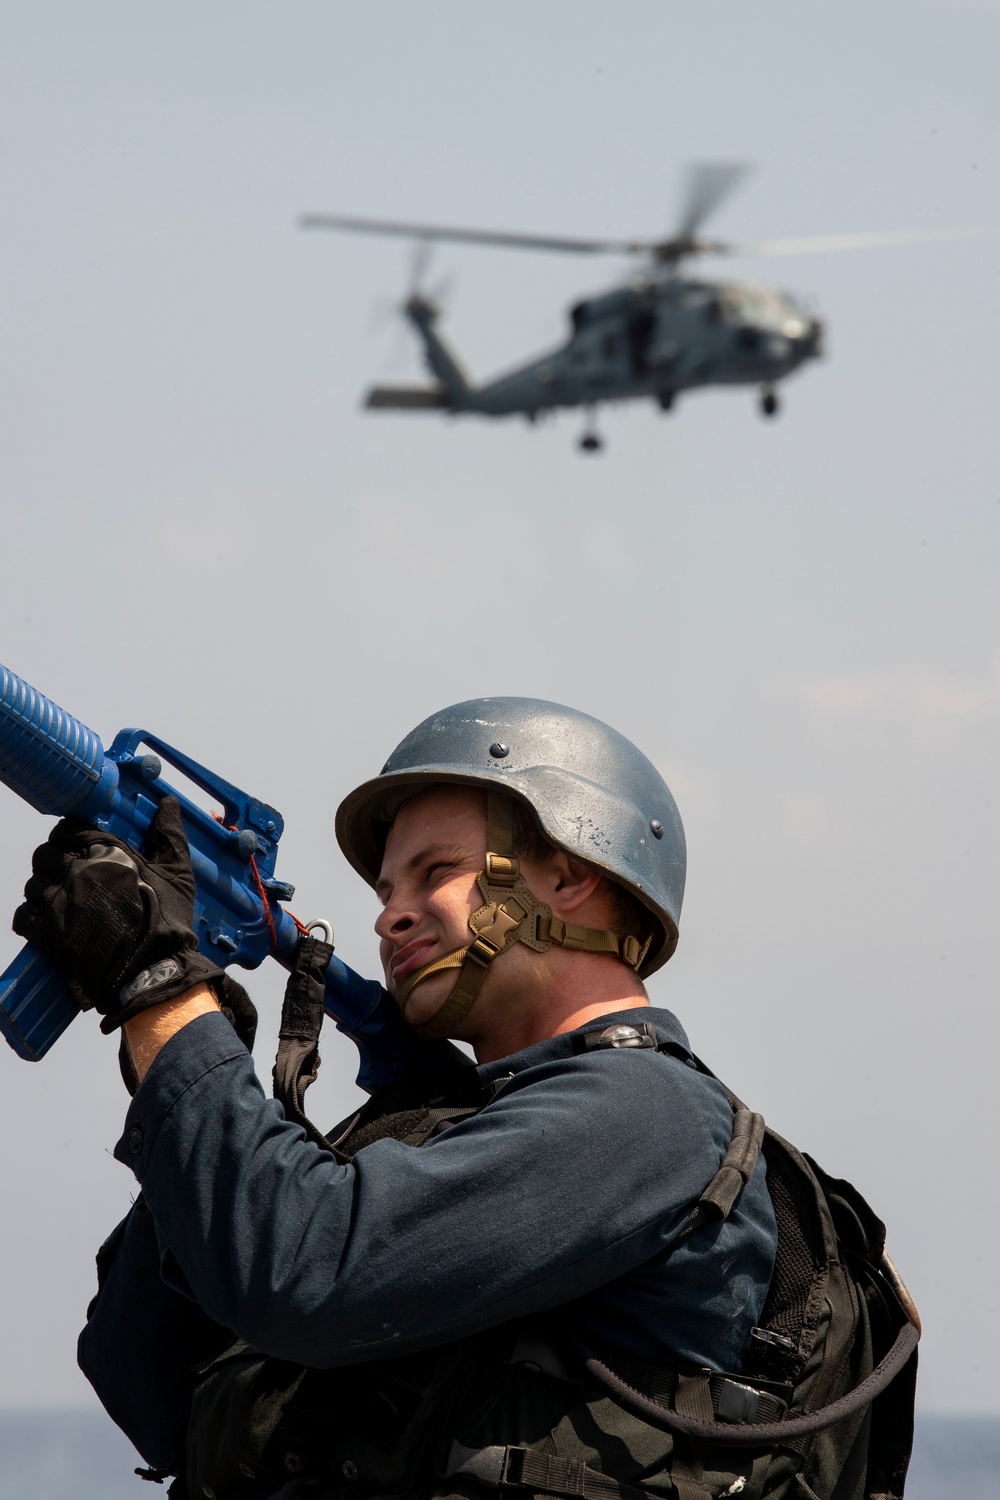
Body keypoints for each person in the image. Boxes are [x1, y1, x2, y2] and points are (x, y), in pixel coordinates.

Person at [13, 698, 915, 1500]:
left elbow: (300, 1272)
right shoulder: (446, 1129)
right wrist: (191, 1055)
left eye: (433, 871)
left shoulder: (648, 1114)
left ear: (569, 874)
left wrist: (162, 987)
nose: (387, 915)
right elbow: (148, 1381)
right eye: (383, 890)